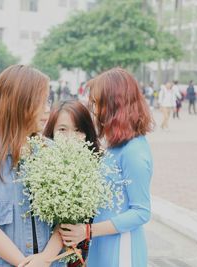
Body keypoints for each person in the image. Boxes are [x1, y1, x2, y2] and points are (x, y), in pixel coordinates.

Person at [0, 65, 64, 267]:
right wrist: (25, 264)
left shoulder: (53, 152)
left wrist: (44, 260)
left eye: (48, 101)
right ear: (19, 103)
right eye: (42, 101)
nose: (48, 108)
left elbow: (66, 216)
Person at [59, 68, 153, 267]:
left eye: (96, 103)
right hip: (102, 245)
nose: (93, 109)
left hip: (121, 250)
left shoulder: (133, 151)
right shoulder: (115, 146)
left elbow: (141, 212)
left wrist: (88, 231)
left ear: (113, 104)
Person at [42, 100, 100, 267]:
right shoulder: (40, 166)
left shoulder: (98, 166)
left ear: (87, 133)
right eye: (62, 130)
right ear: (51, 132)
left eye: (78, 130)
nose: (70, 138)